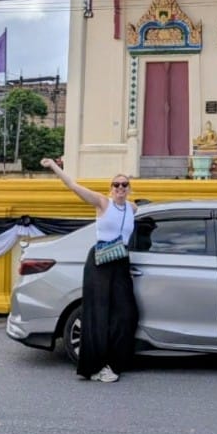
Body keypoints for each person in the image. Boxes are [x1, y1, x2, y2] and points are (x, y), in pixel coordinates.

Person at [40, 157, 139, 383]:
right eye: (116, 184)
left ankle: (113, 364)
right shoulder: (103, 203)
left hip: (121, 262)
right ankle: (94, 366)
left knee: (127, 314)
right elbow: (73, 186)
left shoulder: (132, 208)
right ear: (111, 188)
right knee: (97, 314)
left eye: (124, 184)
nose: (120, 188)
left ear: (129, 188)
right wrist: (54, 166)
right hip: (100, 262)